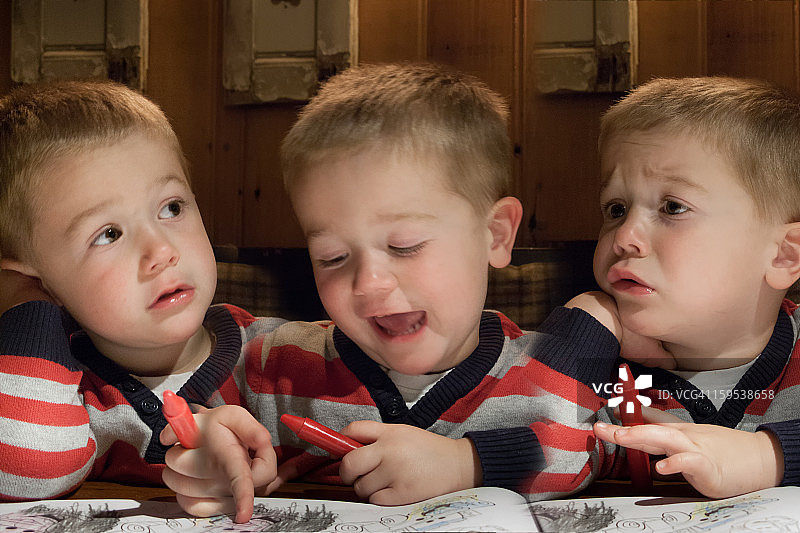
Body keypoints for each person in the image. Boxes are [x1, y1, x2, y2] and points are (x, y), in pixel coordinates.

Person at [160, 62, 624, 520]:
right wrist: (205, 446)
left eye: (404, 246)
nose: (368, 283)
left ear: (496, 235)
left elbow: (592, 445)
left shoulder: (540, 370)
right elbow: (176, 414)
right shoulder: (274, 363)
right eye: (333, 258)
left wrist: (466, 463)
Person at [0, 80, 277, 516]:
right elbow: (27, 470)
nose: (161, 252)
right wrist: (25, 305)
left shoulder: (286, 359)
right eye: (108, 234)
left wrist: (428, 461)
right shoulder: (55, 389)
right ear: (39, 281)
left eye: (171, 207)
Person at [566, 76, 800, 498]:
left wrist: (770, 456)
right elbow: (521, 448)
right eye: (616, 209)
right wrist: (583, 327)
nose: (624, 237)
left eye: (673, 207)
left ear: (784, 256)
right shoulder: (595, 359)